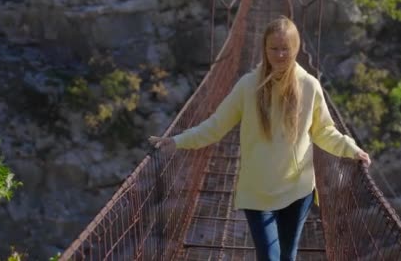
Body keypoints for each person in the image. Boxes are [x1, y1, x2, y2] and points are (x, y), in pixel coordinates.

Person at [148, 16, 371, 261]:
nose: (279, 55)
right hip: (257, 192)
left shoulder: (310, 86)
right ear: (264, 49)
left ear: (295, 48)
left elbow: (324, 131)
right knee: (269, 257)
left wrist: (351, 149)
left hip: (297, 190)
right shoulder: (247, 86)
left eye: (285, 48)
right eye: (273, 48)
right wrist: (177, 141)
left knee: (287, 256)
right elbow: (215, 125)